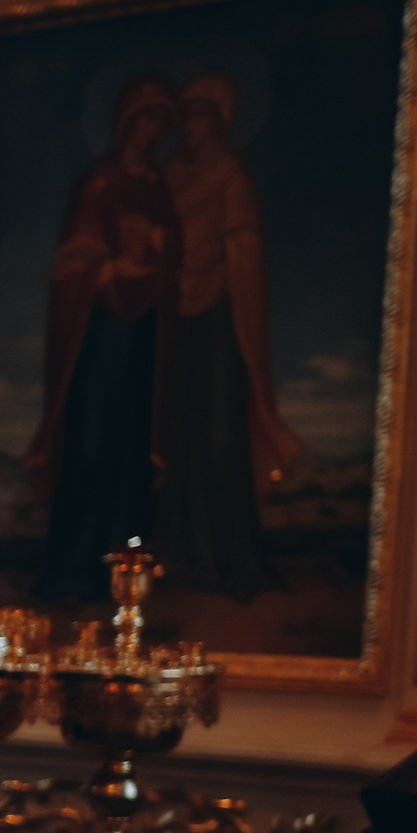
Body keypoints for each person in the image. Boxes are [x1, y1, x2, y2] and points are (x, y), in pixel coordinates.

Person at [28, 75, 182, 604]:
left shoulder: (159, 189)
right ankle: (73, 568)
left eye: (162, 121)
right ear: (125, 122)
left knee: (129, 451)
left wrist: (160, 254)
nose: (153, 130)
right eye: (146, 118)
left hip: (142, 338)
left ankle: (126, 575)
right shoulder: (99, 183)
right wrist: (113, 267)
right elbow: (74, 262)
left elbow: (171, 259)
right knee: (90, 445)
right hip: (99, 338)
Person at [158, 70, 299, 597]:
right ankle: (185, 557)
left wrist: (213, 261)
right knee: (178, 438)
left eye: (202, 115)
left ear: (219, 122)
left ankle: (235, 559)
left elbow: (245, 251)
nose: (192, 126)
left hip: (218, 312)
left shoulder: (232, 177)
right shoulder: (166, 178)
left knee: (220, 437)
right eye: (186, 115)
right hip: (172, 317)